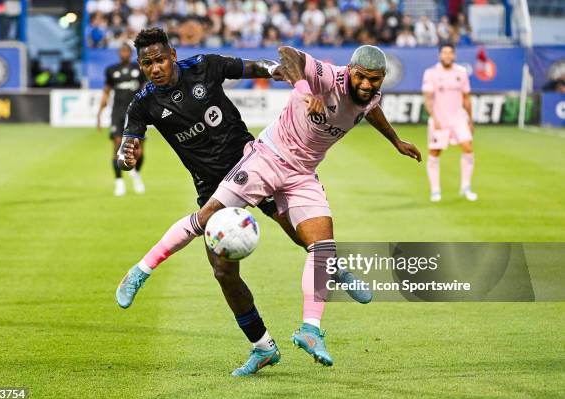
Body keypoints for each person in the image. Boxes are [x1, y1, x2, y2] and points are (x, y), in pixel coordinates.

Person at [119, 43, 421, 375]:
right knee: (220, 265)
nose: (156, 67)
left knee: (314, 242)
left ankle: (315, 317)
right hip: (253, 165)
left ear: (172, 55)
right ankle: (257, 343)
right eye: (148, 62)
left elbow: (365, 104)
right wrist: (305, 91)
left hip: (282, 167)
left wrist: (395, 140)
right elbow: (289, 55)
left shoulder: (204, 66)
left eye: (374, 80)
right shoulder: (144, 102)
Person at [422, 43, 477, 202]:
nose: (447, 55)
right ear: (440, 55)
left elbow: (466, 98)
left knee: (468, 147)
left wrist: (471, 120)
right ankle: (435, 190)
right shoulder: (431, 73)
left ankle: (466, 187)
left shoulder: (461, 72)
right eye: (444, 52)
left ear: (454, 55)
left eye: (450, 53)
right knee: (435, 153)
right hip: (440, 119)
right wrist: (434, 117)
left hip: (459, 118)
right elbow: (428, 99)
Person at [97, 43, 146, 196]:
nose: (124, 53)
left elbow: (147, 89)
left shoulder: (139, 69)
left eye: (126, 51)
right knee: (118, 146)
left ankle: (136, 175)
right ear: (119, 53)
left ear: (130, 53)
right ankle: (119, 182)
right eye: (121, 51)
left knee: (139, 150)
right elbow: (106, 92)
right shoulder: (111, 70)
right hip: (117, 114)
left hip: (136, 113)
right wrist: (99, 113)